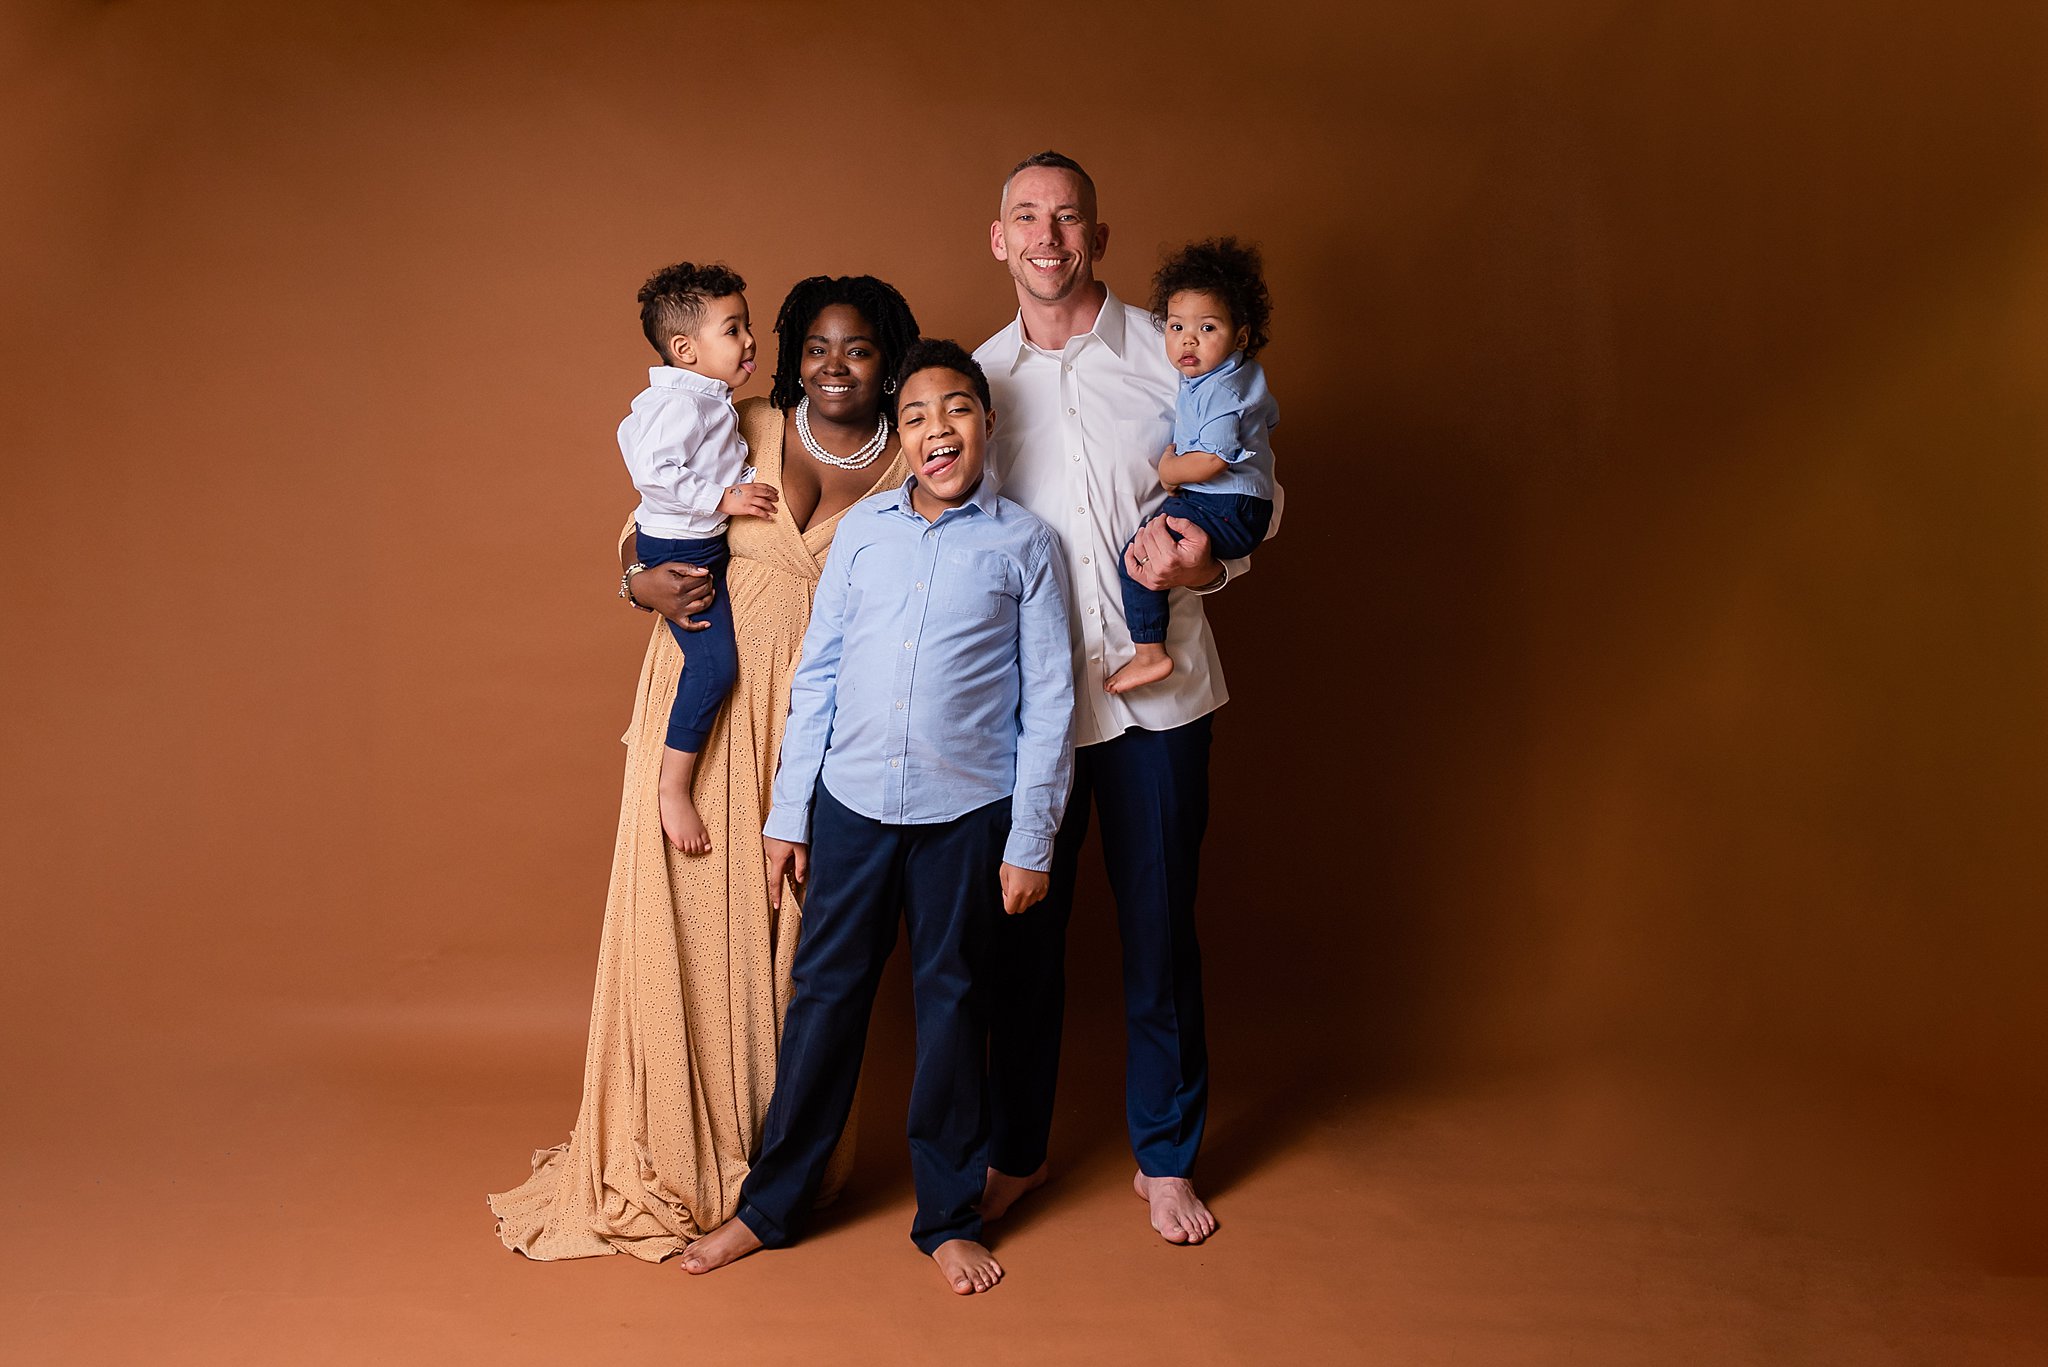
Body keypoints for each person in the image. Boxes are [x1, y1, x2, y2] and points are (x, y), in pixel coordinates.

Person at [488, 275, 922, 1262]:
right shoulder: (746, 417)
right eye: (811, 346)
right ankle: (675, 1161)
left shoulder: (916, 453)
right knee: (682, 926)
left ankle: (770, 1173)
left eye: (855, 349)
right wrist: (633, 576)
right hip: (707, 704)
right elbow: (652, 514)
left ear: (888, 357)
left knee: (793, 948)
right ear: (785, 352)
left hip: (825, 733)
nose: (831, 366)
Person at [679, 341, 1075, 1295]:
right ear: (899, 439)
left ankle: (946, 1215)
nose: (939, 430)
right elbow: (816, 675)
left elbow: (1051, 704)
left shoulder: (1024, 545)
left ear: (987, 422)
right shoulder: (863, 532)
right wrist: (789, 816)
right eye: (917, 417)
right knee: (823, 999)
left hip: (966, 816)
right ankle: (769, 1207)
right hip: (849, 804)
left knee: (951, 1006)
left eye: (958, 411)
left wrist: (1031, 841)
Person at [972, 151, 1279, 1246]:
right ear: (998, 239)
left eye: (1068, 218)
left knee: (1158, 932)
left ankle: (1165, 1156)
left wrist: (1212, 567)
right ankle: (1014, 1149)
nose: (1047, 235)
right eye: (1026, 217)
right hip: (1027, 711)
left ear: (1097, 238)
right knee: (1020, 942)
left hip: (1161, 702)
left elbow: (1260, 489)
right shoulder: (975, 379)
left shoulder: (1175, 349)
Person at [619, 261, 775, 854]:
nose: (749, 340)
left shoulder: (701, 398)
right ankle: (673, 788)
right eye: (732, 330)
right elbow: (650, 469)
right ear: (686, 349)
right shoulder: (681, 404)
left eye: (748, 325)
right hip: (681, 550)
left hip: (698, 539)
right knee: (714, 669)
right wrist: (723, 496)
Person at [1105, 238, 1278, 695]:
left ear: (1240, 336)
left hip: (1226, 505)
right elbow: (1268, 419)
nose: (1187, 340)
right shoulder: (1225, 377)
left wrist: (1169, 470)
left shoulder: (1220, 390)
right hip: (1233, 504)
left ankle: (1150, 653)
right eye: (1177, 326)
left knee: (1138, 555)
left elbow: (1213, 459)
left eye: (1206, 328)